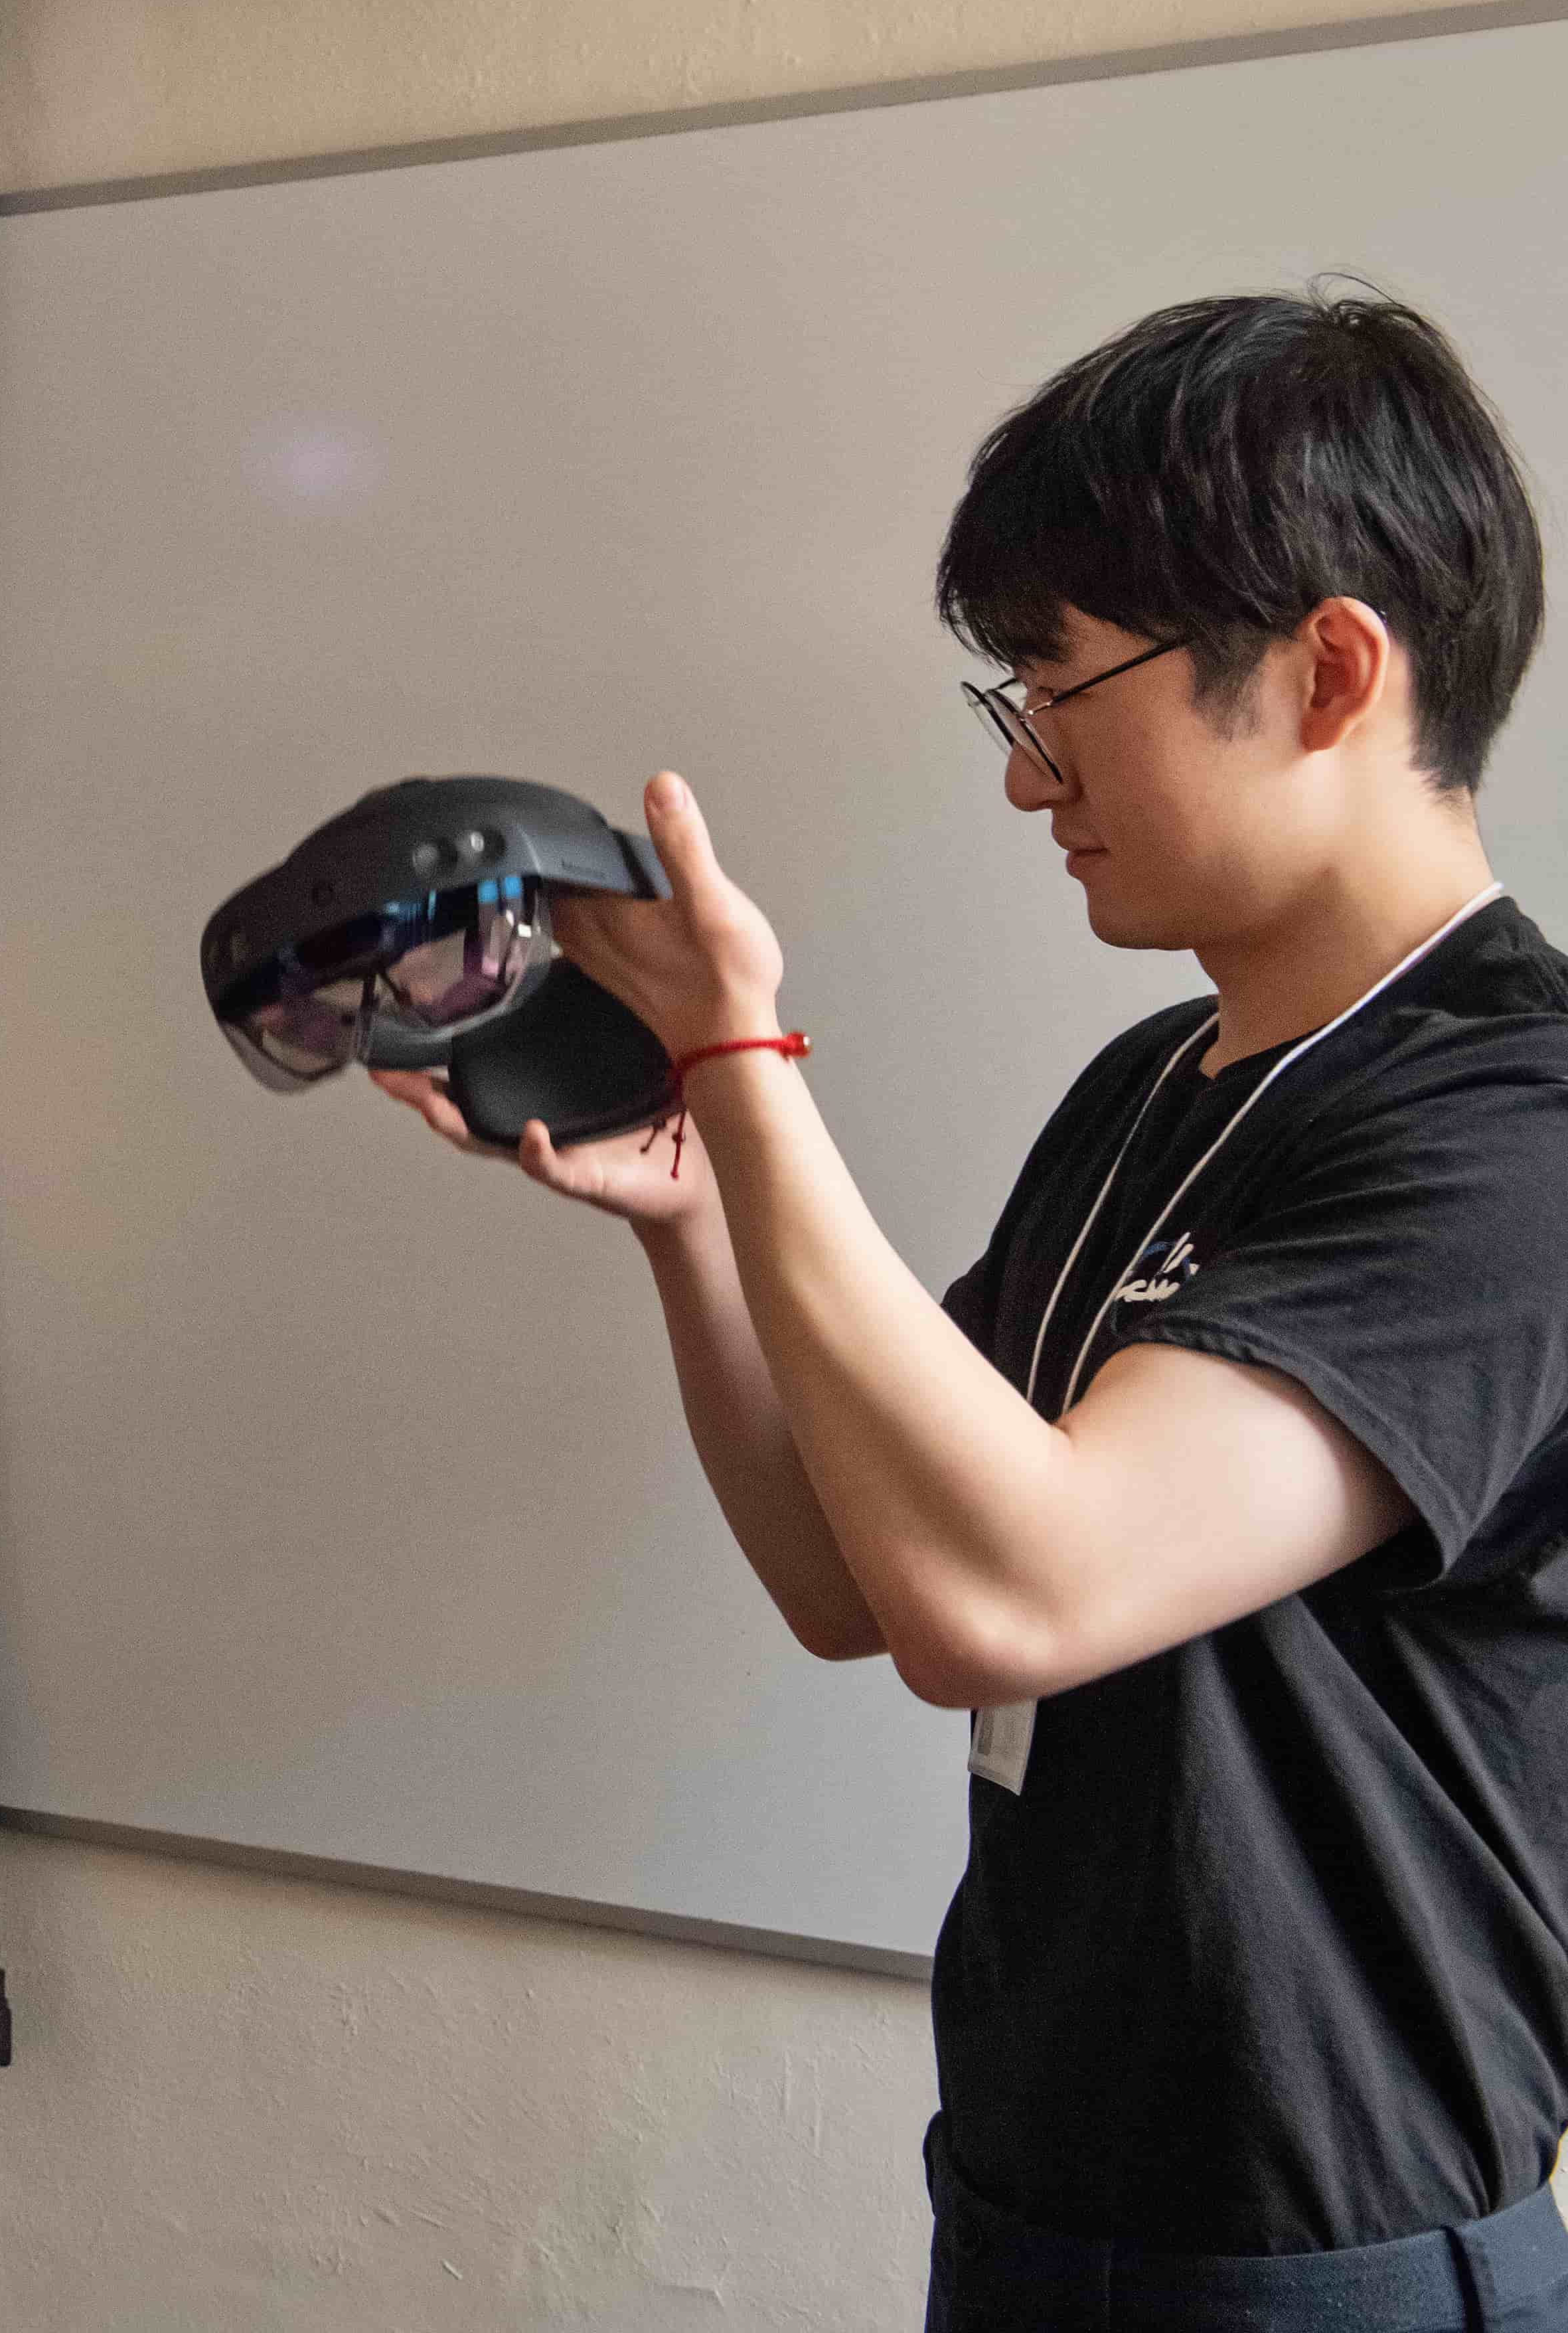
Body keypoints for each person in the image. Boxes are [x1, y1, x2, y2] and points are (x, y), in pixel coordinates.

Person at [382, 291, 1568, 2330]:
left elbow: (1018, 1599)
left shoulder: (1515, 1126)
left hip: (1326, 2261)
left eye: (1061, 689)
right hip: (1032, 2190)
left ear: (1330, 669)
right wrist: (698, 1212)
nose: (1031, 777)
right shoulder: (1144, 1092)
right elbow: (866, 1576)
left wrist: (750, 1060)